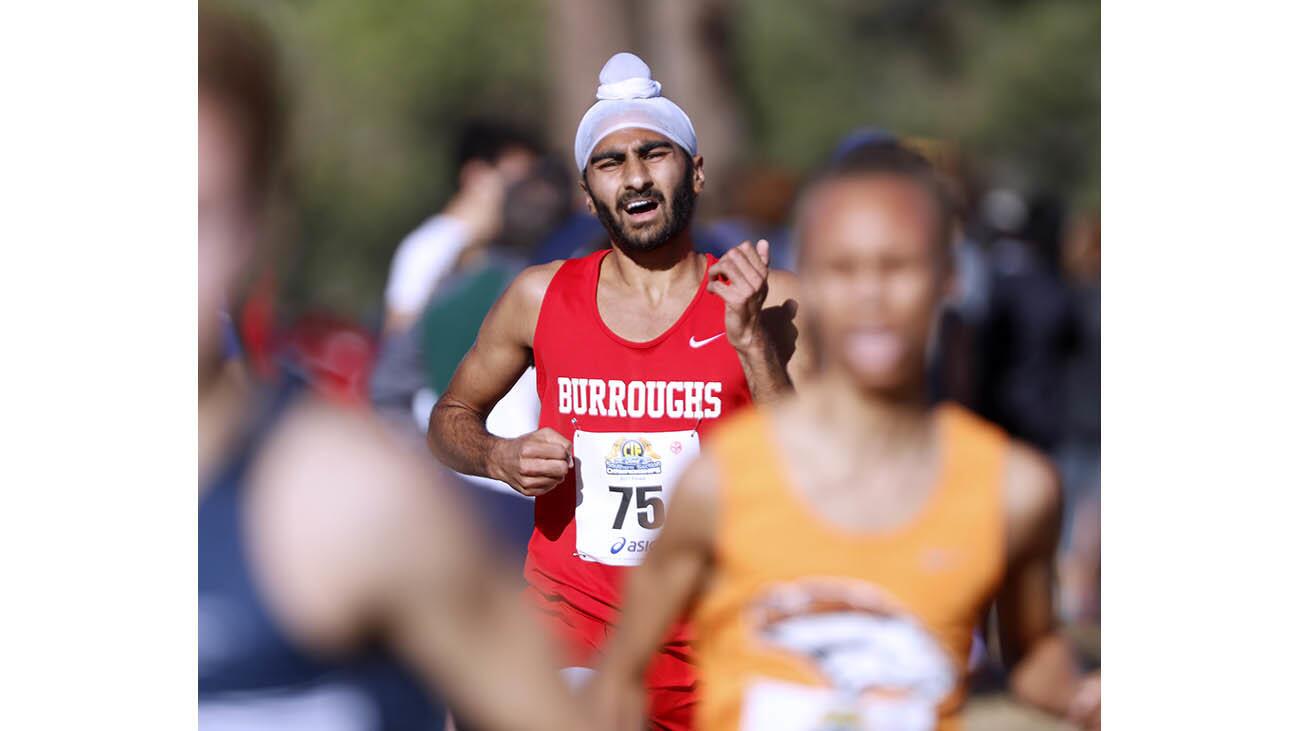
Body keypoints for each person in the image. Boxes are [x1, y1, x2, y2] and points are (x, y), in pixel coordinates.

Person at [590, 142, 1100, 730]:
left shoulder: (1013, 489)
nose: (871, 297)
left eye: (897, 267)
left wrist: (1085, 696)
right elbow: (621, 677)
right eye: (842, 270)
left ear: (950, 279)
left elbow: (1033, 655)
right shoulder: (720, 483)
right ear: (806, 280)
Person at [198, 8, 585, 730]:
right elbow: (395, 372)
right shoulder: (433, 253)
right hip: (467, 473)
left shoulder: (353, 504)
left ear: (259, 222)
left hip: (494, 510)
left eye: (193, 217)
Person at [426, 51, 807, 729]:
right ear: (587, 190)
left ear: (694, 170)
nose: (635, 177)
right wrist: (498, 456)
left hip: (720, 646)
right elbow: (448, 419)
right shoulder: (538, 297)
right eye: (610, 162)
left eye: (654, 154)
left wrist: (751, 342)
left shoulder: (769, 301)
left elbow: (815, 474)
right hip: (577, 635)